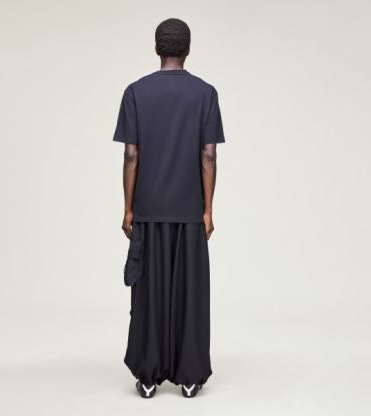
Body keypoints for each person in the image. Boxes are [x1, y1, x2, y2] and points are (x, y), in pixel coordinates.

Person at [113, 18, 225, 398]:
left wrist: (128, 209)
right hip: (190, 211)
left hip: (148, 210)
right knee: (190, 296)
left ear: (157, 48)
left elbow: (131, 155)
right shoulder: (205, 94)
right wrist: (207, 211)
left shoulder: (135, 93)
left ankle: (148, 377)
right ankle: (190, 377)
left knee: (148, 295)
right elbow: (208, 155)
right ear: (188, 50)